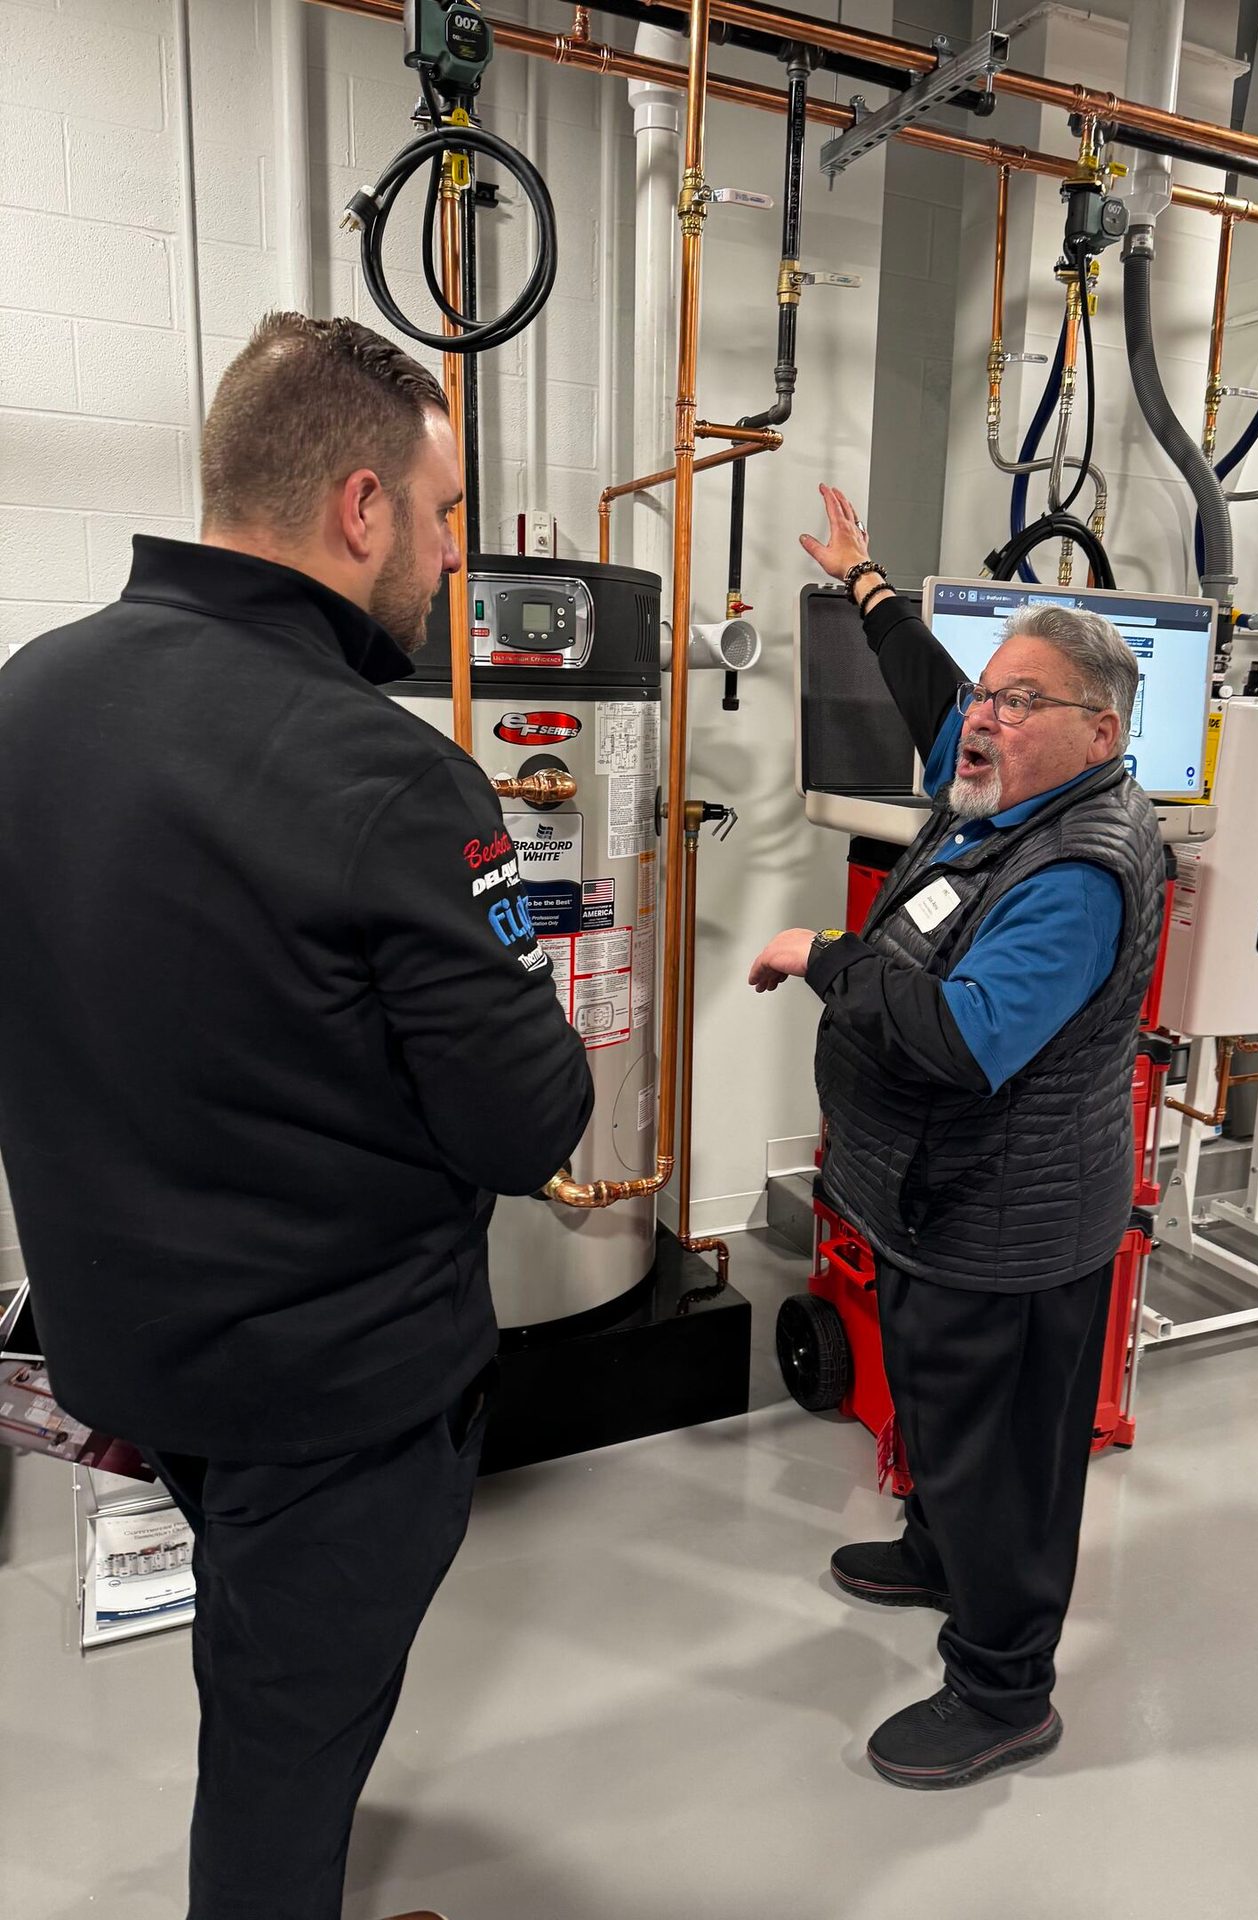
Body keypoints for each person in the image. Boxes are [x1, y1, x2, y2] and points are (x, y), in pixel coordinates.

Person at [0, 314, 594, 1919]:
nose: (454, 554)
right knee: (286, 1741)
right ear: (360, 506)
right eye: (448, 510)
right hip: (334, 1395)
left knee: (267, 1676)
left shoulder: (28, 699)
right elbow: (524, 1119)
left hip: (136, 1350)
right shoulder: (386, 775)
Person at [751, 483, 1165, 1791]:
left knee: (1005, 1458)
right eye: (990, 693)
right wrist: (868, 580)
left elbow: (964, 1037)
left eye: (1017, 699)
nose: (982, 716)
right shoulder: (1005, 798)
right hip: (938, 1205)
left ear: (1096, 729)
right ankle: (939, 1548)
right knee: (942, 1412)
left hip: (1016, 1228)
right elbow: (936, 697)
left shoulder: (1082, 865)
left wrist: (824, 954)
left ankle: (1004, 1689)